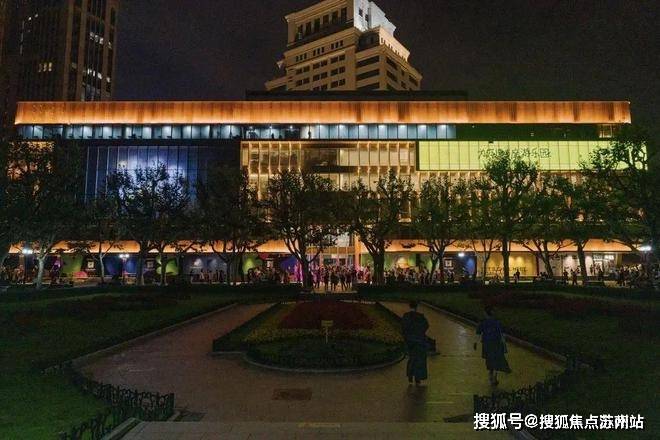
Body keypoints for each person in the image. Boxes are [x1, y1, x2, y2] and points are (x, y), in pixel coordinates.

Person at [476, 306, 511, 386]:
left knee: (490, 360)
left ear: (485, 313)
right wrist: (504, 344)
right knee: (496, 359)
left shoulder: (483, 322)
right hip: (496, 343)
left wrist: (476, 343)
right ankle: (494, 376)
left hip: (487, 344)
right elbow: (502, 334)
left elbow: (478, 333)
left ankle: (491, 376)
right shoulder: (497, 322)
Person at [401, 301, 429, 385]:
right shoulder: (420, 317)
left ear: (409, 306)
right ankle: (418, 377)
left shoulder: (406, 316)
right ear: (416, 307)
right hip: (419, 340)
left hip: (410, 341)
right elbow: (426, 326)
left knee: (412, 358)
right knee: (419, 359)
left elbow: (403, 328)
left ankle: (410, 375)